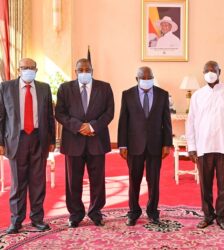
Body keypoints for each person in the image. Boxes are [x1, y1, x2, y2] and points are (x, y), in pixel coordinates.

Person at [186, 60, 224, 230]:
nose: (210, 72)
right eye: (207, 70)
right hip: (203, 147)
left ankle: (221, 216)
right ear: (203, 72)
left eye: (213, 70)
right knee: (205, 184)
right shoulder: (197, 95)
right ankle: (207, 215)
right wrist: (191, 146)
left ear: (220, 71)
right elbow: (190, 122)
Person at [55, 58, 114, 228]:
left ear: (92, 70)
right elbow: (59, 113)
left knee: (98, 180)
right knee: (73, 180)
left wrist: (92, 126)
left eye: (87, 69)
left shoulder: (104, 87)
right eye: (80, 70)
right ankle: (75, 214)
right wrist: (79, 126)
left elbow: (109, 113)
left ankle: (96, 212)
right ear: (75, 72)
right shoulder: (64, 88)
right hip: (73, 141)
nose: (84, 72)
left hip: (97, 140)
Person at [0, 58, 56, 234]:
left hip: (39, 139)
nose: (28, 70)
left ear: (36, 70)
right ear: (19, 70)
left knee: (38, 182)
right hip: (17, 140)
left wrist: (52, 141)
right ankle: (16, 221)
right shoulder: (5, 87)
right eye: (25, 68)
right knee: (18, 183)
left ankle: (37, 219)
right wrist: (0, 142)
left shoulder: (44, 88)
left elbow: (49, 116)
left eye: (32, 68)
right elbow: (1, 117)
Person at [118, 66, 172, 226]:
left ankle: (153, 212)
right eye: (144, 78)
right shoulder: (127, 94)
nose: (147, 80)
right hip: (134, 145)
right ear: (137, 79)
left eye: (150, 78)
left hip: (156, 145)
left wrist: (167, 144)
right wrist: (122, 145)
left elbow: (166, 122)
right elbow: (123, 121)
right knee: (134, 180)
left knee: (153, 180)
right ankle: (133, 212)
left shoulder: (162, 94)